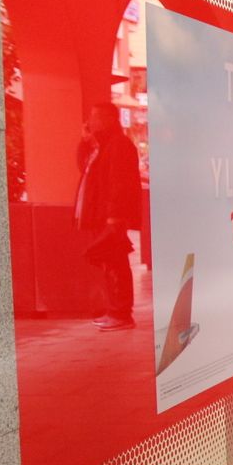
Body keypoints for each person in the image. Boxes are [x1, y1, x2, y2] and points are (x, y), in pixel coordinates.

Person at [75, 103, 142, 331]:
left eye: (93, 117)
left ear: (107, 119)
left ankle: (121, 313)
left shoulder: (118, 146)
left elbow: (119, 183)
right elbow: (84, 168)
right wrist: (85, 142)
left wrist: (114, 216)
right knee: (109, 263)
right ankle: (115, 311)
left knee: (116, 263)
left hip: (110, 217)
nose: (90, 122)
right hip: (101, 215)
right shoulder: (102, 146)